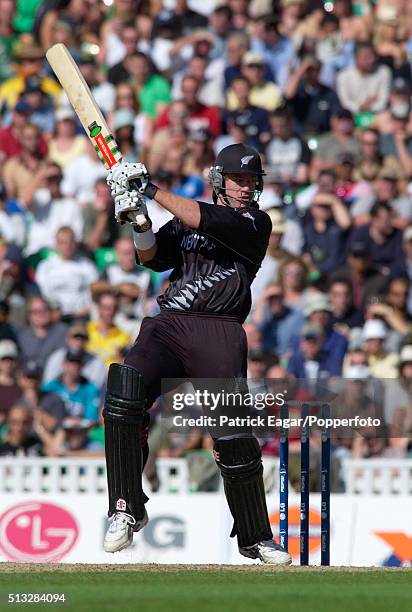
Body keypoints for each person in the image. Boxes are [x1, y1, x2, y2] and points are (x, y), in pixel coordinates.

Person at [101, 144, 292, 565]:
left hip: (219, 330)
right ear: (220, 181)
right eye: (238, 180)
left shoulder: (255, 223)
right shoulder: (188, 219)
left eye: (251, 181)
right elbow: (151, 258)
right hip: (170, 323)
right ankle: (125, 507)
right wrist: (139, 221)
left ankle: (256, 537)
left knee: (233, 435)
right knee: (123, 394)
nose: (245, 188)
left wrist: (147, 188)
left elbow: (205, 218)